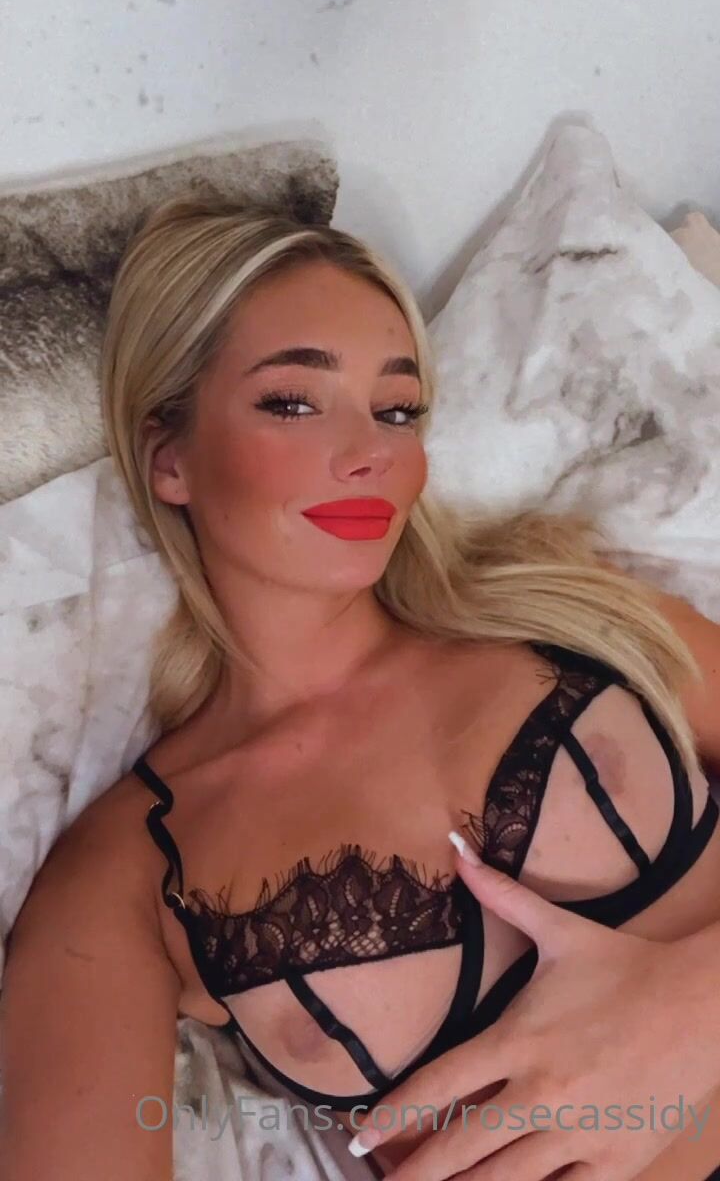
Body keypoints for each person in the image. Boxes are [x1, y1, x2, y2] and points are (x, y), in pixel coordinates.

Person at [1, 194, 719, 1181]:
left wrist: (693, 1005)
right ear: (170, 458)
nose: (372, 450)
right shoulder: (130, 871)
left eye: (397, 409)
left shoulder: (569, 611)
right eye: (293, 402)